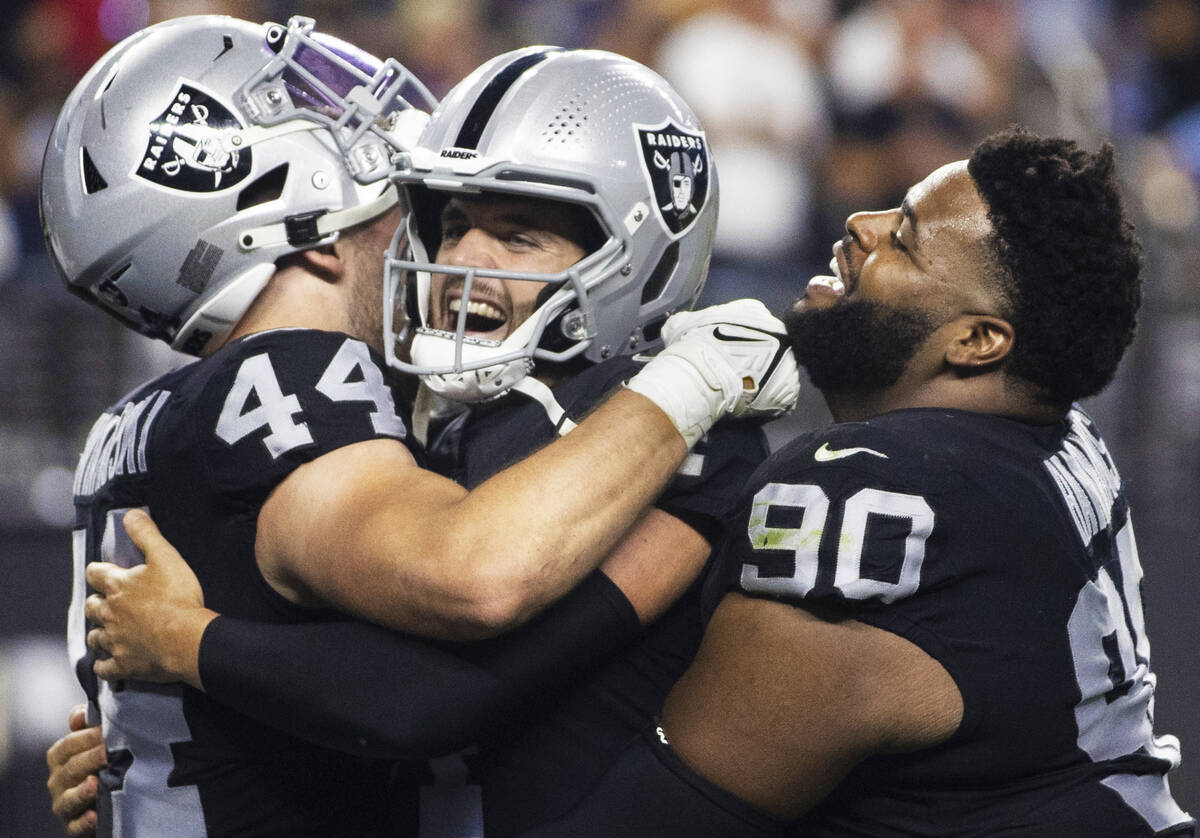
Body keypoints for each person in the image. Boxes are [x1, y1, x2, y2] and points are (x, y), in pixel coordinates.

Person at [41, 19, 797, 838]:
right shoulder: (339, 390)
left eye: (517, 233)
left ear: (631, 254)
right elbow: (451, 626)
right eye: (447, 220)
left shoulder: (152, 417)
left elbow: (428, 694)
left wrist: (183, 666)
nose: (453, 253)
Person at [500, 129, 1196, 836]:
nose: (863, 226)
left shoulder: (869, 498)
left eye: (906, 239)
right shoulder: (1055, 431)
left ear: (979, 340)